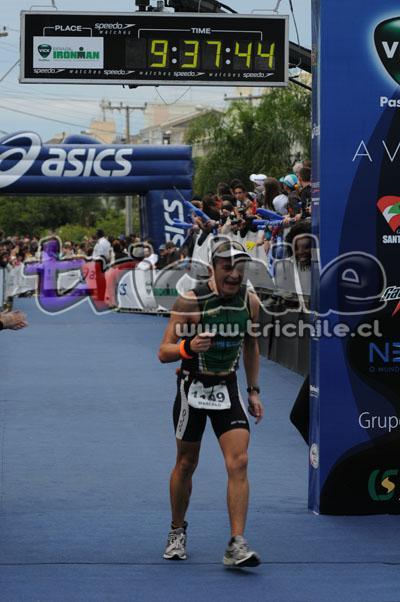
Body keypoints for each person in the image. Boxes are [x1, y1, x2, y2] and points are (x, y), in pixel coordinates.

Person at [158, 238, 264, 568]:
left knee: (239, 461)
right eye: (227, 267)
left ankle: (237, 543)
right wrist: (189, 347)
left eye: (240, 268)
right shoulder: (190, 302)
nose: (234, 274)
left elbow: (251, 346)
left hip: (227, 387)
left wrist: (254, 390)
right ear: (212, 269)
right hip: (193, 389)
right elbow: (164, 351)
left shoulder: (250, 301)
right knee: (187, 463)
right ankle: (177, 529)